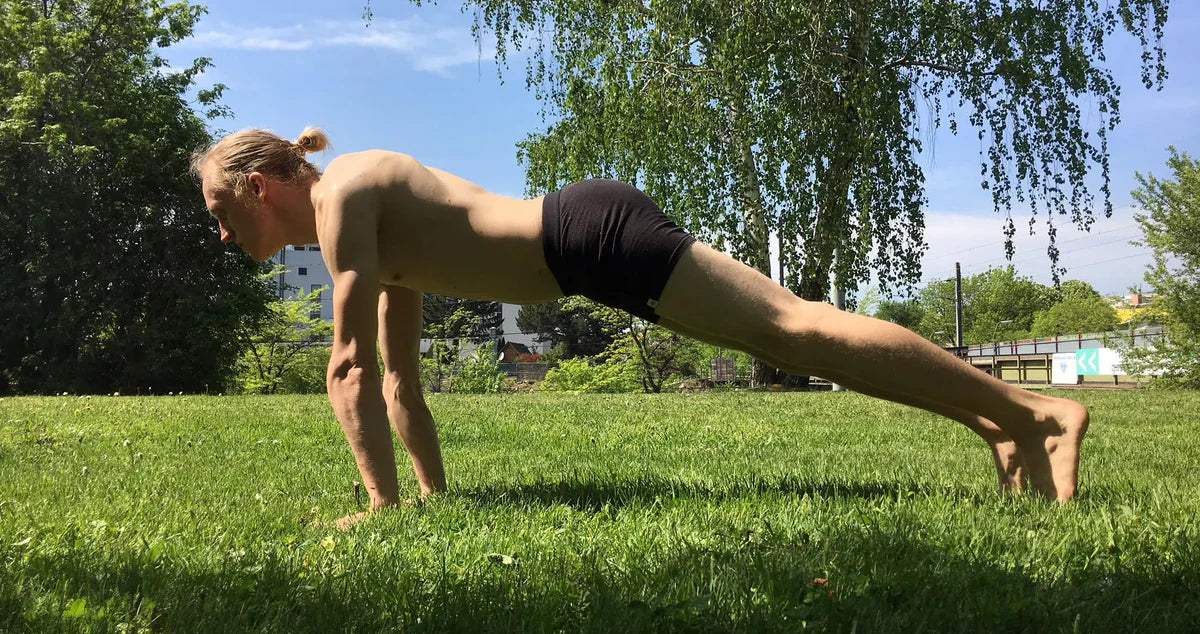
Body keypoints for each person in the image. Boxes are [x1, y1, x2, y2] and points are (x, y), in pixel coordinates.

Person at [191, 127, 1089, 527]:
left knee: (794, 330)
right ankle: (997, 424)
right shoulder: (374, 235)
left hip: (590, 235)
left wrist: (378, 516)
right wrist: (422, 503)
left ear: (261, 186)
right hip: (582, 253)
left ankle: (1038, 415)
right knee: (791, 336)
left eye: (222, 212)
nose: (223, 234)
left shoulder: (347, 190)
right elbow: (395, 384)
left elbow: (343, 368)